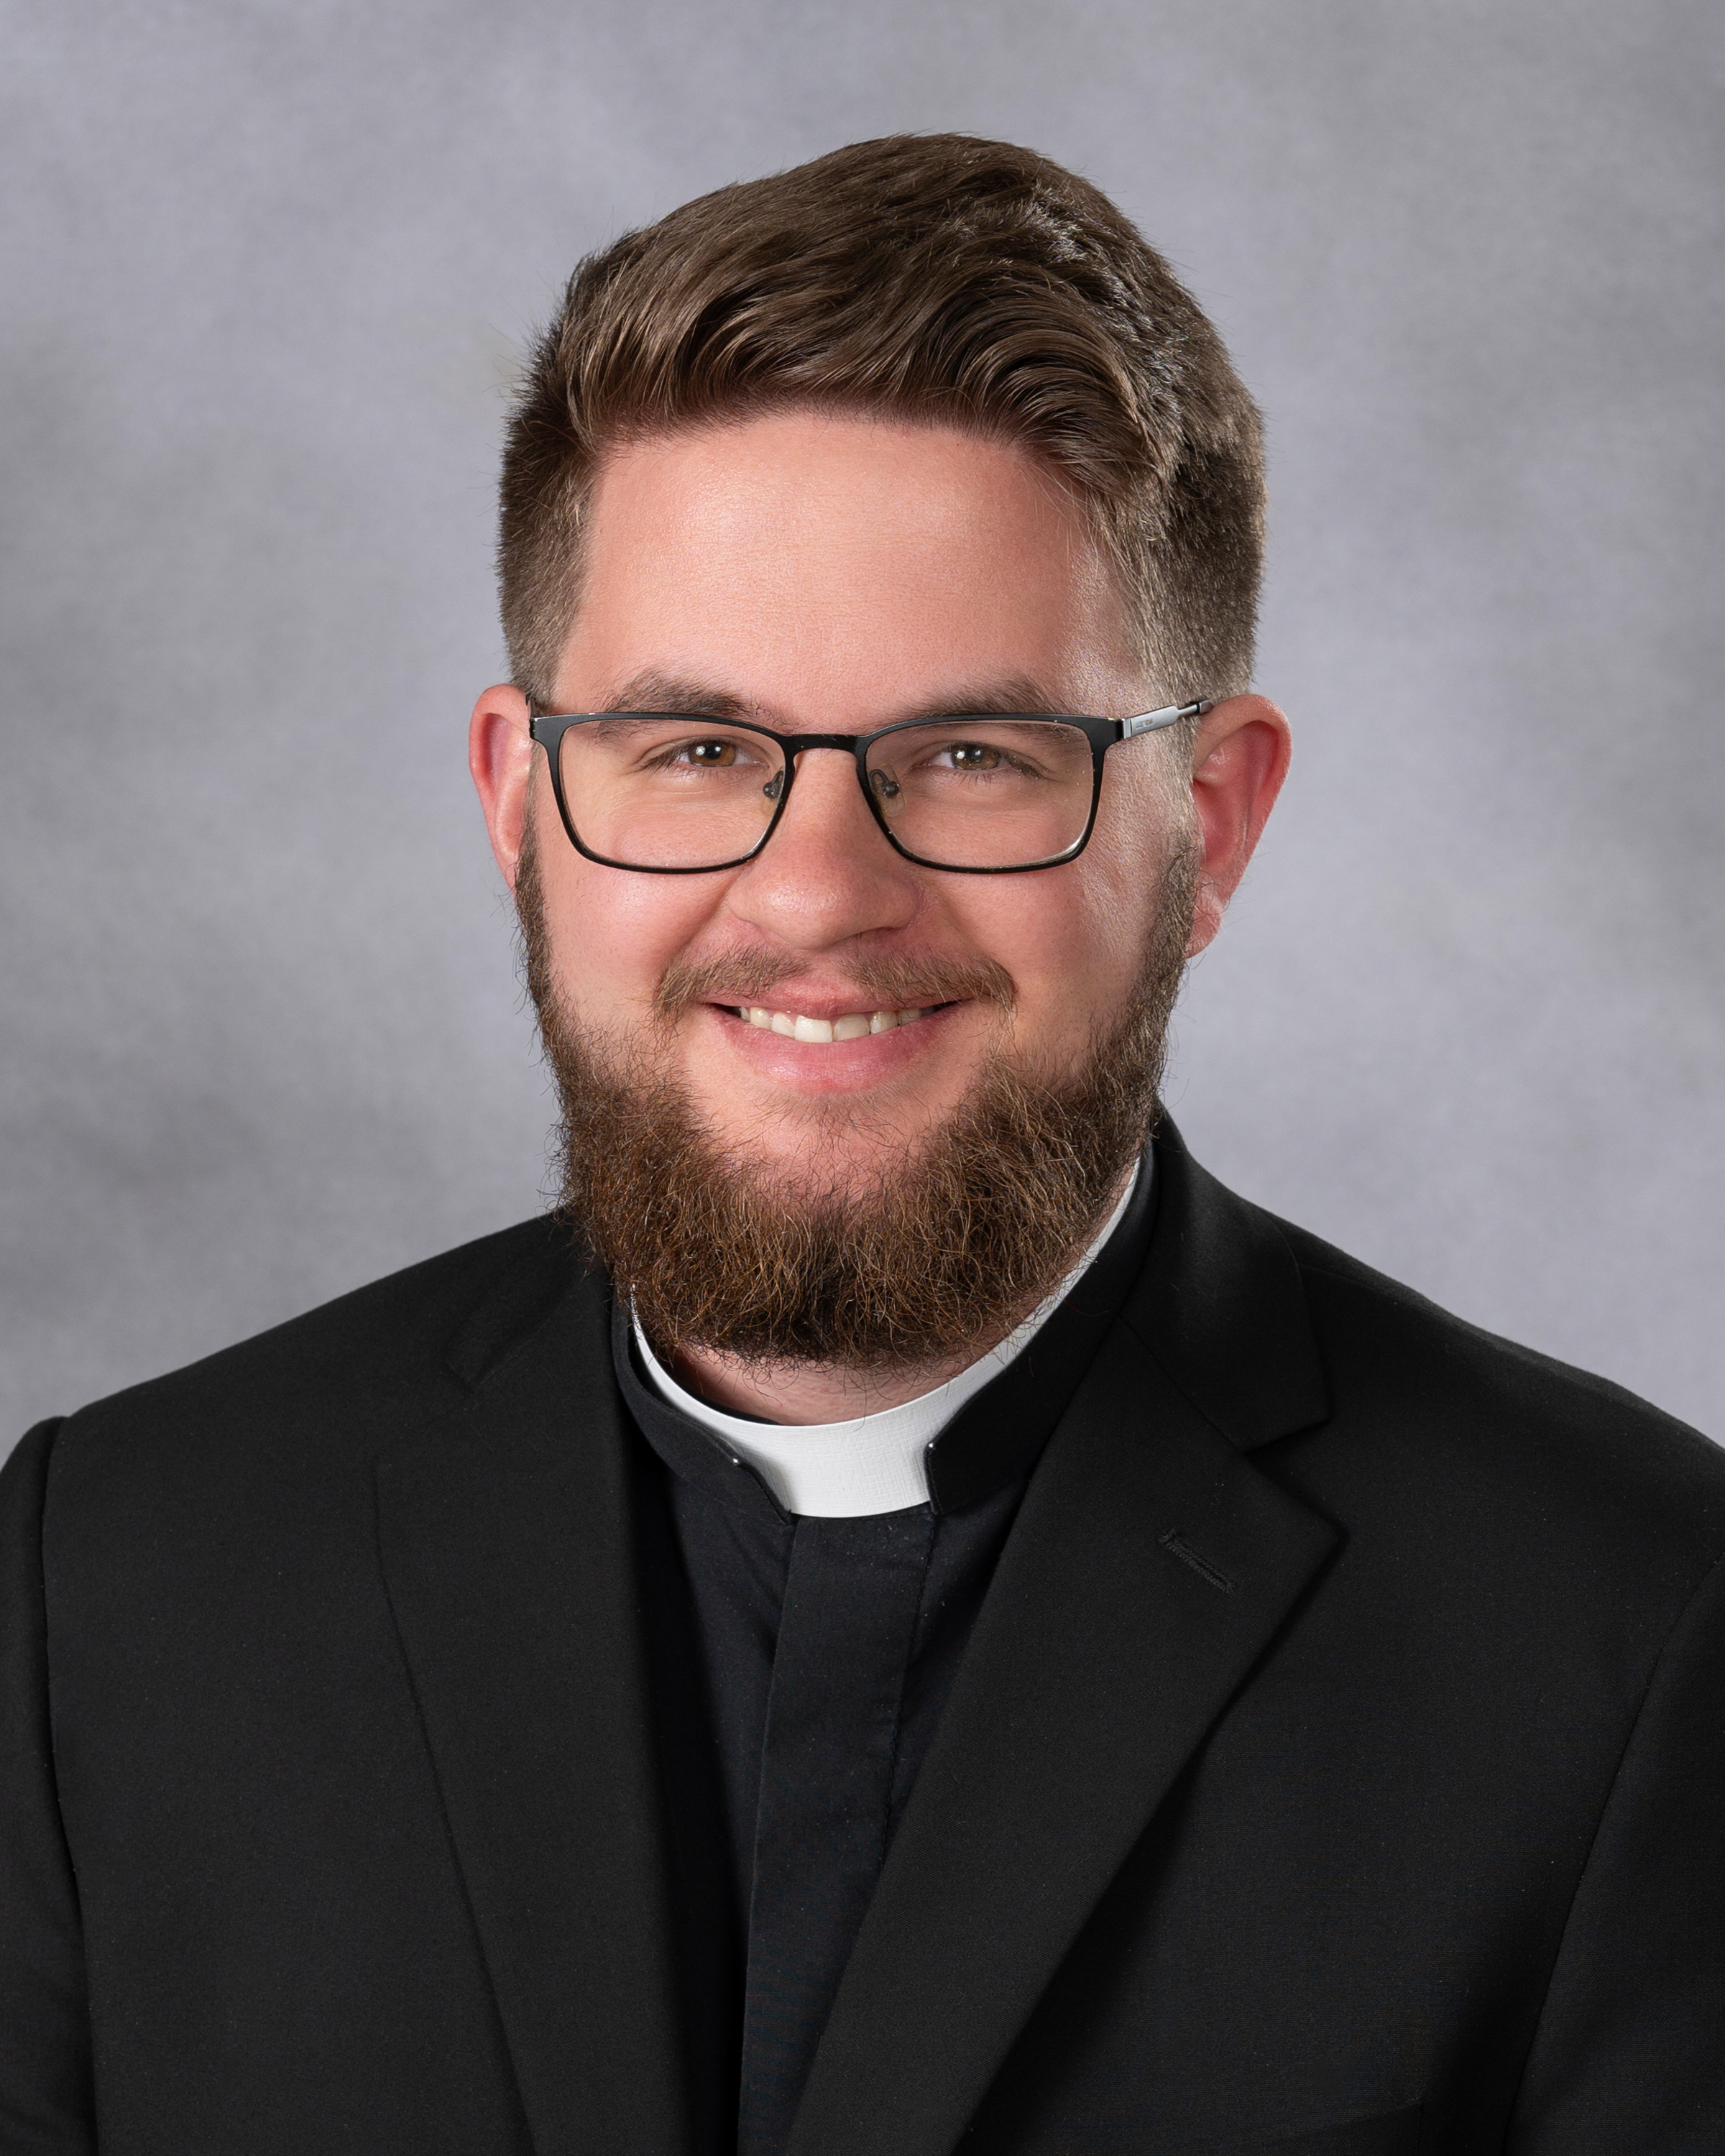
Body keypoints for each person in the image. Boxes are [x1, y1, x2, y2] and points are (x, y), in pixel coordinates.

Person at [3, 133, 1721, 2156]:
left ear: (1213, 826)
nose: (816, 895)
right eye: (700, 750)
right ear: (521, 801)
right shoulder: (104, 1589)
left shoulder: (1637, 1641)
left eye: (977, 756)